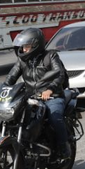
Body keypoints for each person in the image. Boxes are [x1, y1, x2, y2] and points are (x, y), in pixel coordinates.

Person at [4, 28, 71, 159]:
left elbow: (59, 74)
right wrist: (3, 88)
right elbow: (11, 77)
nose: (24, 50)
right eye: (23, 47)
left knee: (54, 117)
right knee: (13, 117)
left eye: (27, 47)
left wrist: (50, 89)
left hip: (52, 96)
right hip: (30, 97)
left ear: (36, 45)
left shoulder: (50, 56)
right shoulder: (22, 61)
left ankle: (64, 146)